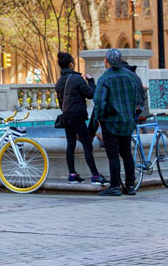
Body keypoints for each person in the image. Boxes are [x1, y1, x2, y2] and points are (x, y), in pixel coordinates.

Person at [90, 48, 146, 197]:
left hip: (111, 122)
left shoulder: (105, 79)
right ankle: (130, 186)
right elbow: (135, 100)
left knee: (113, 155)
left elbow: (99, 102)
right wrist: (131, 115)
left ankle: (115, 186)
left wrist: (100, 119)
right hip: (127, 122)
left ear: (106, 61)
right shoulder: (129, 77)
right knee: (127, 154)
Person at [53, 52, 103, 185]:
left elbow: (61, 102)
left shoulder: (59, 82)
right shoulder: (77, 79)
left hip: (66, 116)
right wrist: (91, 81)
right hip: (77, 116)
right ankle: (95, 175)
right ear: (71, 64)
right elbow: (91, 94)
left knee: (71, 144)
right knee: (87, 144)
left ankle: (72, 175)